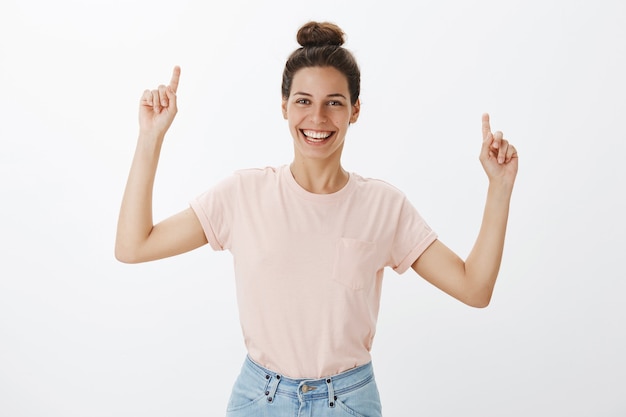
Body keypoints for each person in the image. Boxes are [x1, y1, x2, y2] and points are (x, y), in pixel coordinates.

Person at [115, 21, 517, 417]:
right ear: (284, 105)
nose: (318, 117)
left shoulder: (384, 206)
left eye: (334, 102)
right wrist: (150, 138)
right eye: (304, 101)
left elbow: (474, 288)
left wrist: (499, 188)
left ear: (355, 110)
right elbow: (134, 246)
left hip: (347, 401)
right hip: (259, 400)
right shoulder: (243, 195)